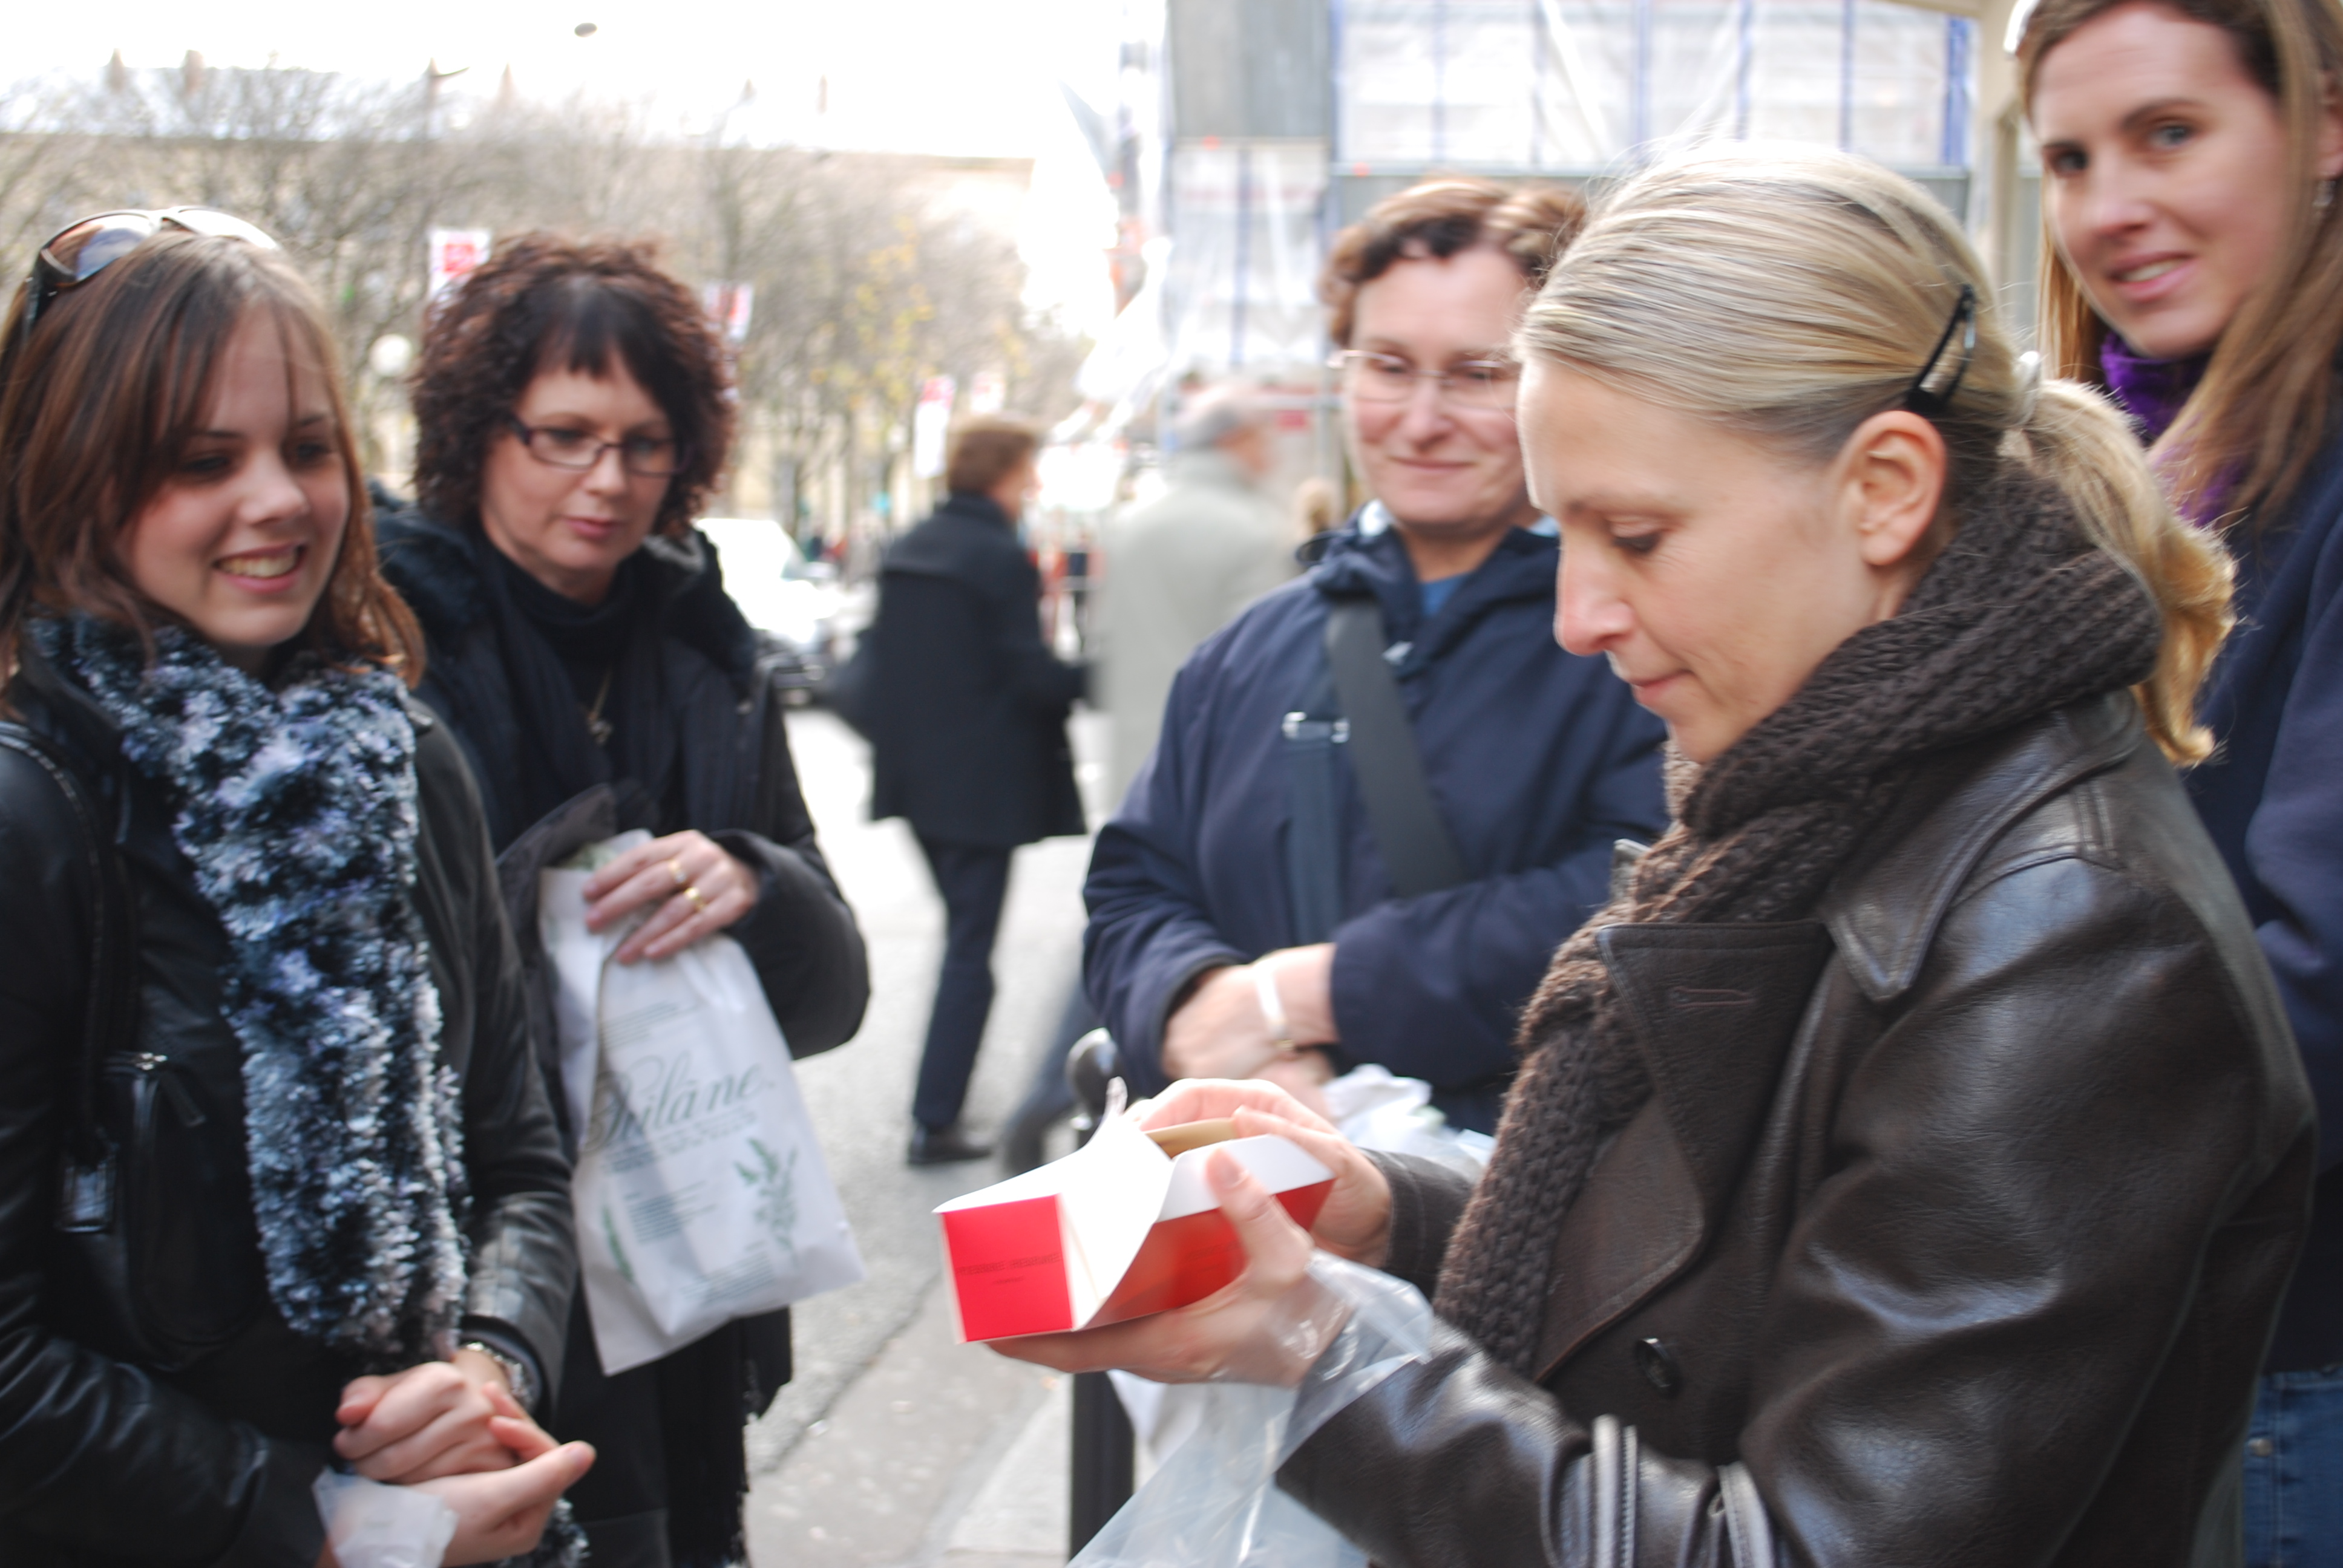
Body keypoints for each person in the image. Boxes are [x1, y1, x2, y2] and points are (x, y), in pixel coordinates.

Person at [1000, 147, 2316, 1565]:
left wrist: (1333, 1360)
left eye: (1637, 535)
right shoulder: (1829, 777)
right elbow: (1702, 1266)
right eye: (1567, 534)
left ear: (1884, 487)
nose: (1580, 614)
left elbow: (1809, 1540)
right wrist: (1383, 1212)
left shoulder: (2069, 934)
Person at [0, 212, 591, 1564]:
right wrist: (322, 1523)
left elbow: (516, 1159)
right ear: (73, 477)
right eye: (204, 462)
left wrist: (490, 1368)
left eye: (308, 448)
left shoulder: (406, 758)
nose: (279, 501)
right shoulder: (29, 810)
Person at [375, 233, 870, 1568]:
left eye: (643, 444)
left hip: (685, 1242)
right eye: (563, 435)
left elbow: (835, 1000)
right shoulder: (383, 646)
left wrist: (755, 883)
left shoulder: (708, 651)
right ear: (478, 434)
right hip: (474, 1262)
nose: (606, 481)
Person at [1083, 177, 1668, 1134]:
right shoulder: (1249, 647)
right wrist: (1190, 1009)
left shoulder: (1639, 637)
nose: (1422, 417)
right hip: (1252, 1204)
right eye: (1389, 366)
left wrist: (1313, 994)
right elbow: (1134, 884)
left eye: (1480, 373)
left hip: (1521, 1210)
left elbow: (1650, 901)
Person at [2022, 5, 2343, 1561]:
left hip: (2292, 1363)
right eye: (2069, 159)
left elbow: (2318, 984)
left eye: (2169, 134)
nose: (2105, 210)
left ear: (2325, 126)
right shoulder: (2159, 467)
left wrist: (1962, 1118)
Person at [860, 416, 1087, 1165]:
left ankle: (938, 1107)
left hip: (917, 784)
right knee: (969, 952)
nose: (1033, 487)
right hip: (982, 792)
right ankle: (935, 1120)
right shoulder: (998, 558)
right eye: (1028, 473)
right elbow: (1032, 677)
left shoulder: (908, 551)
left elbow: (879, 669)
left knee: (963, 941)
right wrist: (1104, 673)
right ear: (1003, 475)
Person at [1095, 385, 1299, 803]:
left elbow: (1106, 641)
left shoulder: (1133, 528)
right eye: (1264, 436)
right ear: (1233, 439)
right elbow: (1265, 667)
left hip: (1138, 765)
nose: (1272, 452)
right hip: (1220, 772)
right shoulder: (1254, 531)